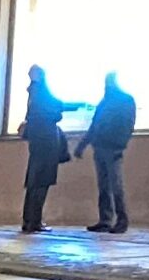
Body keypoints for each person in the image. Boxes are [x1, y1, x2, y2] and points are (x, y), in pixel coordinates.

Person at [18, 66, 78, 233]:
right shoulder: (41, 93)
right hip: (46, 143)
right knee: (41, 182)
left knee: (34, 183)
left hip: (37, 144)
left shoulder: (33, 93)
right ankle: (34, 221)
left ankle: (29, 220)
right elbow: (55, 109)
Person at [80, 71, 137, 233]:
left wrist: (119, 143)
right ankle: (105, 219)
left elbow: (128, 124)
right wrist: (83, 145)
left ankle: (121, 220)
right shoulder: (105, 102)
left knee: (116, 185)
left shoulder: (125, 101)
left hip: (113, 148)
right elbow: (94, 125)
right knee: (104, 186)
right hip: (100, 148)